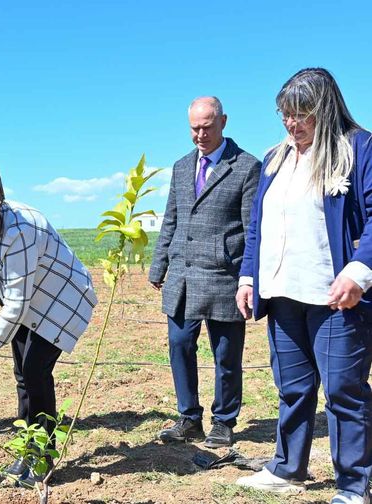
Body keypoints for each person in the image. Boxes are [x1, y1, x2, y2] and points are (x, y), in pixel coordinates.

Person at [234, 68, 372, 504]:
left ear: (325, 109)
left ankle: (354, 483)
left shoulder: (358, 148)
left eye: (302, 115)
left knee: (344, 390)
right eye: (285, 116)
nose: (293, 125)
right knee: (292, 387)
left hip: (335, 296)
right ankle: (287, 467)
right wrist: (249, 275)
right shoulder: (276, 156)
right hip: (282, 292)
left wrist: (358, 272)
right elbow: (258, 223)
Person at [0, 164, 97, 482]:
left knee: (35, 370)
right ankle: (27, 446)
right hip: (31, 296)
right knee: (22, 372)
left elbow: (16, 305)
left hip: (59, 301)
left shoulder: (19, 231)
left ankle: (42, 454)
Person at [149, 97, 261, 448]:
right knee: (180, 345)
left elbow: (252, 228)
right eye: (194, 128)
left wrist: (249, 276)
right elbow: (171, 218)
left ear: (223, 122)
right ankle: (189, 418)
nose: (200, 135)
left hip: (224, 277)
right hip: (182, 276)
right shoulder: (182, 167)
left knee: (226, 354)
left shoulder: (246, 167)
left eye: (207, 127)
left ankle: (224, 421)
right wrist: (159, 264)